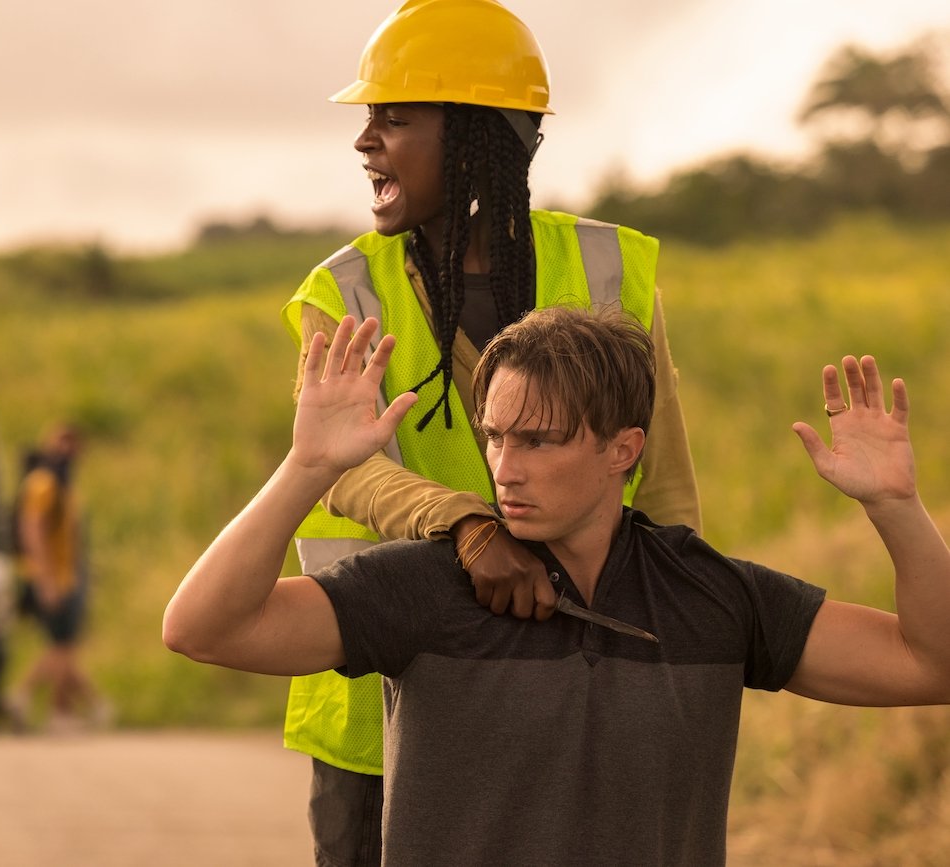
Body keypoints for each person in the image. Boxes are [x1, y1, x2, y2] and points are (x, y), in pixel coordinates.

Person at [165, 309, 950, 865]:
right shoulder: (424, 586)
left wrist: (897, 508)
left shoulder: (710, 595)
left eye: (539, 440)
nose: (506, 466)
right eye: (497, 437)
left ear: (623, 448)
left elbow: (932, 664)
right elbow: (202, 628)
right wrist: (308, 465)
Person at [281, 1, 702, 861]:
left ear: (478, 137)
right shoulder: (345, 292)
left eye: (394, 120)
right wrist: (467, 527)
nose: (366, 143)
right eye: (368, 120)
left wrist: (677, 651)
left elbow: (663, 483)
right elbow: (342, 469)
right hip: (379, 695)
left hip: (569, 689)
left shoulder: (605, 270)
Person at [7, 422, 111, 733]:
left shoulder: (64, 485)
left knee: (63, 648)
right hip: (51, 578)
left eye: (73, 443)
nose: (68, 450)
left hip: (67, 575)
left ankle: (61, 708)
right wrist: (46, 578)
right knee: (62, 648)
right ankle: (33, 699)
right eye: (62, 442)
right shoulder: (43, 483)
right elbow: (31, 529)